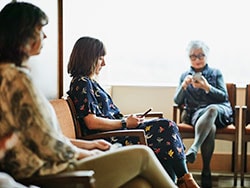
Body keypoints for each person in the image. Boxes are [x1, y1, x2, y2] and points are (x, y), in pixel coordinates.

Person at [0, 2, 183, 188]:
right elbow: (48, 144)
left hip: (53, 164)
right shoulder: (15, 80)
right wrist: (88, 152)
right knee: (142, 154)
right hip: (48, 171)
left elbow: (45, 136)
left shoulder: (14, 77)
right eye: (40, 29)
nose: (45, 35)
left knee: (140, 184)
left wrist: (89, 146)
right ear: (23, 34)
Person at [66, 36, 199, 188]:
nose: (104, 63)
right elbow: (91, 122)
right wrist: (124, 123)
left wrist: (128, 119)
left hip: (118, 131)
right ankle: (185, 179)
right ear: (88, 58)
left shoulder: (90, 82)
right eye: (100, 58)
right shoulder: (81, 83)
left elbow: (103, 116)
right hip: (109, 139)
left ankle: (179, 181)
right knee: (167, 127)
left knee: (166, 138)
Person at [174, 40, 233, 188]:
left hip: (219, 111)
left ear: (206, 56)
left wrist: (207, 87)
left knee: (212, 109)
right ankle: (206, 170)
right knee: (210, 128)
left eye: (201, 56)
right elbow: (177, 100)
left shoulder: (215, 73)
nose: (197, 59)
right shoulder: (184, 75)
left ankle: (194, 148)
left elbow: (223, 97)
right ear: (189, 58)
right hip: (197, 115)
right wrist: (184, 86)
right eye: (193, 57)